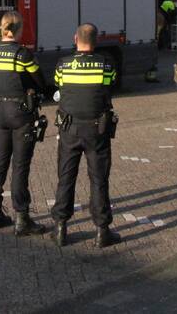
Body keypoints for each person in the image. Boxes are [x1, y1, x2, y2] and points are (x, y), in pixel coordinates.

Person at [51, 23, 120, 248]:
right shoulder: (105, 64)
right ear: (96, 40)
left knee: (66, 176)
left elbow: (58, 84)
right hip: (96, 130)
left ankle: (60, 228)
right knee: (99, 179)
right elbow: (110, 85)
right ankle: (102, 231)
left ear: (75, 39)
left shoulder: (63, 64)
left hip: (69, 129)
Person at [0, 11, 48, 236]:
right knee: (20, 165)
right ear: (19, 29)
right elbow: (40, 81)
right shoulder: (22, 54)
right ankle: (22, 219)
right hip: (20, 113)